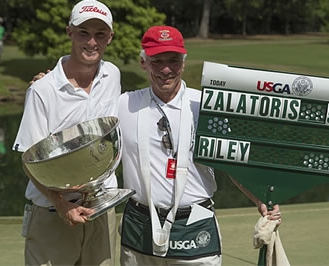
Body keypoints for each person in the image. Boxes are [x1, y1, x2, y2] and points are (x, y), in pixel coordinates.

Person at [118, 25, 281, 266]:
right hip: (139, 229)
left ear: (183, 63)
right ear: (144, 63)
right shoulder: (124, 104)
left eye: (173, 60)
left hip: (194, 228)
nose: (165, 69)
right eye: (156, 61)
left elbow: (231, 161)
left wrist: (260, 199)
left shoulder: (205, 105)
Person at [12, 1, 120, 265]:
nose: (92, 42)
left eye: (99, 34)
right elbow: (29, 160)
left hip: (102, 208)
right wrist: (61, 204)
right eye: (84, 32)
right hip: (53, 213)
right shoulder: (42, 91)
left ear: (110, 37)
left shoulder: (113, 75)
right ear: (70, 32)